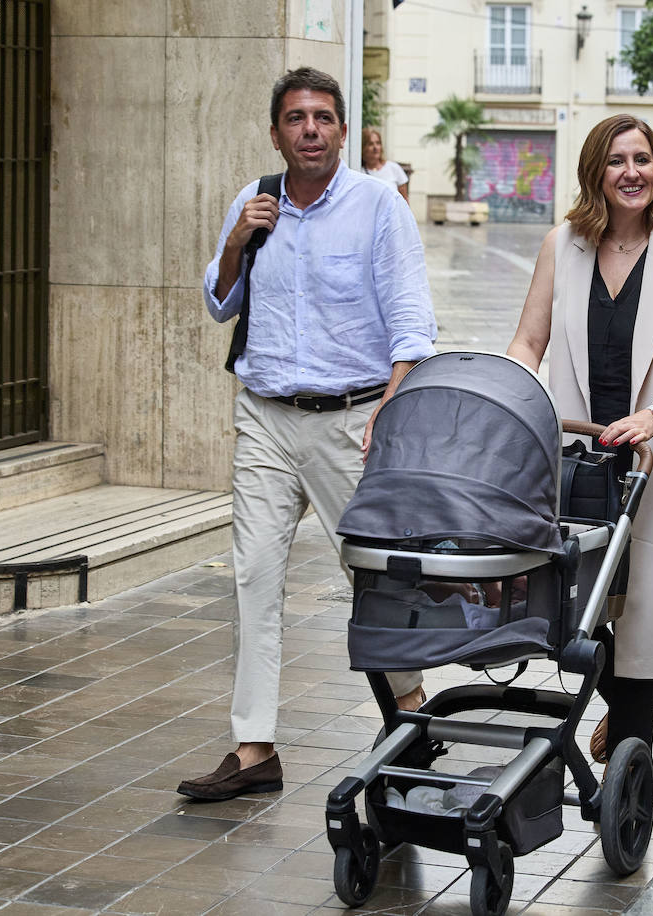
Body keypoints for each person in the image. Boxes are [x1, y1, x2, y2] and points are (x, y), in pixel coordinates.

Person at [179, 67, 437, 802]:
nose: (311, 130)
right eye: (296, 118)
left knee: (376, 578)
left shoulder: (378, 208)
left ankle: (412, 717)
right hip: (264, 416)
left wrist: (391, 408)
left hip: (350, 420)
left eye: (324, 117)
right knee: (254, 576)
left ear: (343, 131)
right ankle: (254, 748)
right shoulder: (255, 202)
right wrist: (235, 239)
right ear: (276, 133)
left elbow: (413, 324)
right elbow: (220, 302)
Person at [507, 114, 653, 766]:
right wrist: (507, 403)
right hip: (580, 454)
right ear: (595, 171)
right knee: (578, 604)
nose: (633, 173)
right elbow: (528, 342)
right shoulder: (560, 245)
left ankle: (632, 770)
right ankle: (613, 698)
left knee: (646, 611)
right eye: (618, 161)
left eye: (643, 159)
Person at [362, 126, 410, 203]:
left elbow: (404, 202)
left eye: (378, 143)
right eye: (370, 144)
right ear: (363, 147)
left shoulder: (394, 168)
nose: (375, 147)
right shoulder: (359, 171)